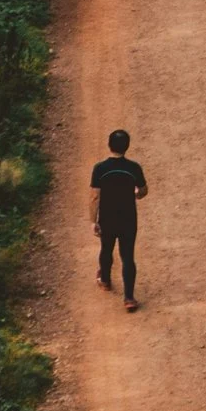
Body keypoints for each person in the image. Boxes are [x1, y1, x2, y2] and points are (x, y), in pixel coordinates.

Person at [90, 128, 147, 308]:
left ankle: (105, 280)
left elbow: (95, 197)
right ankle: (129, 298)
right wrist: (136, 194)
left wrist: (93, 221)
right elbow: (143, 190)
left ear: (109, 145)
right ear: (127, 146)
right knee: (127, 255)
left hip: (107, 217)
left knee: (106, 249)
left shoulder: (100, 169)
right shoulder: (134, 168)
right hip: (128, 218)